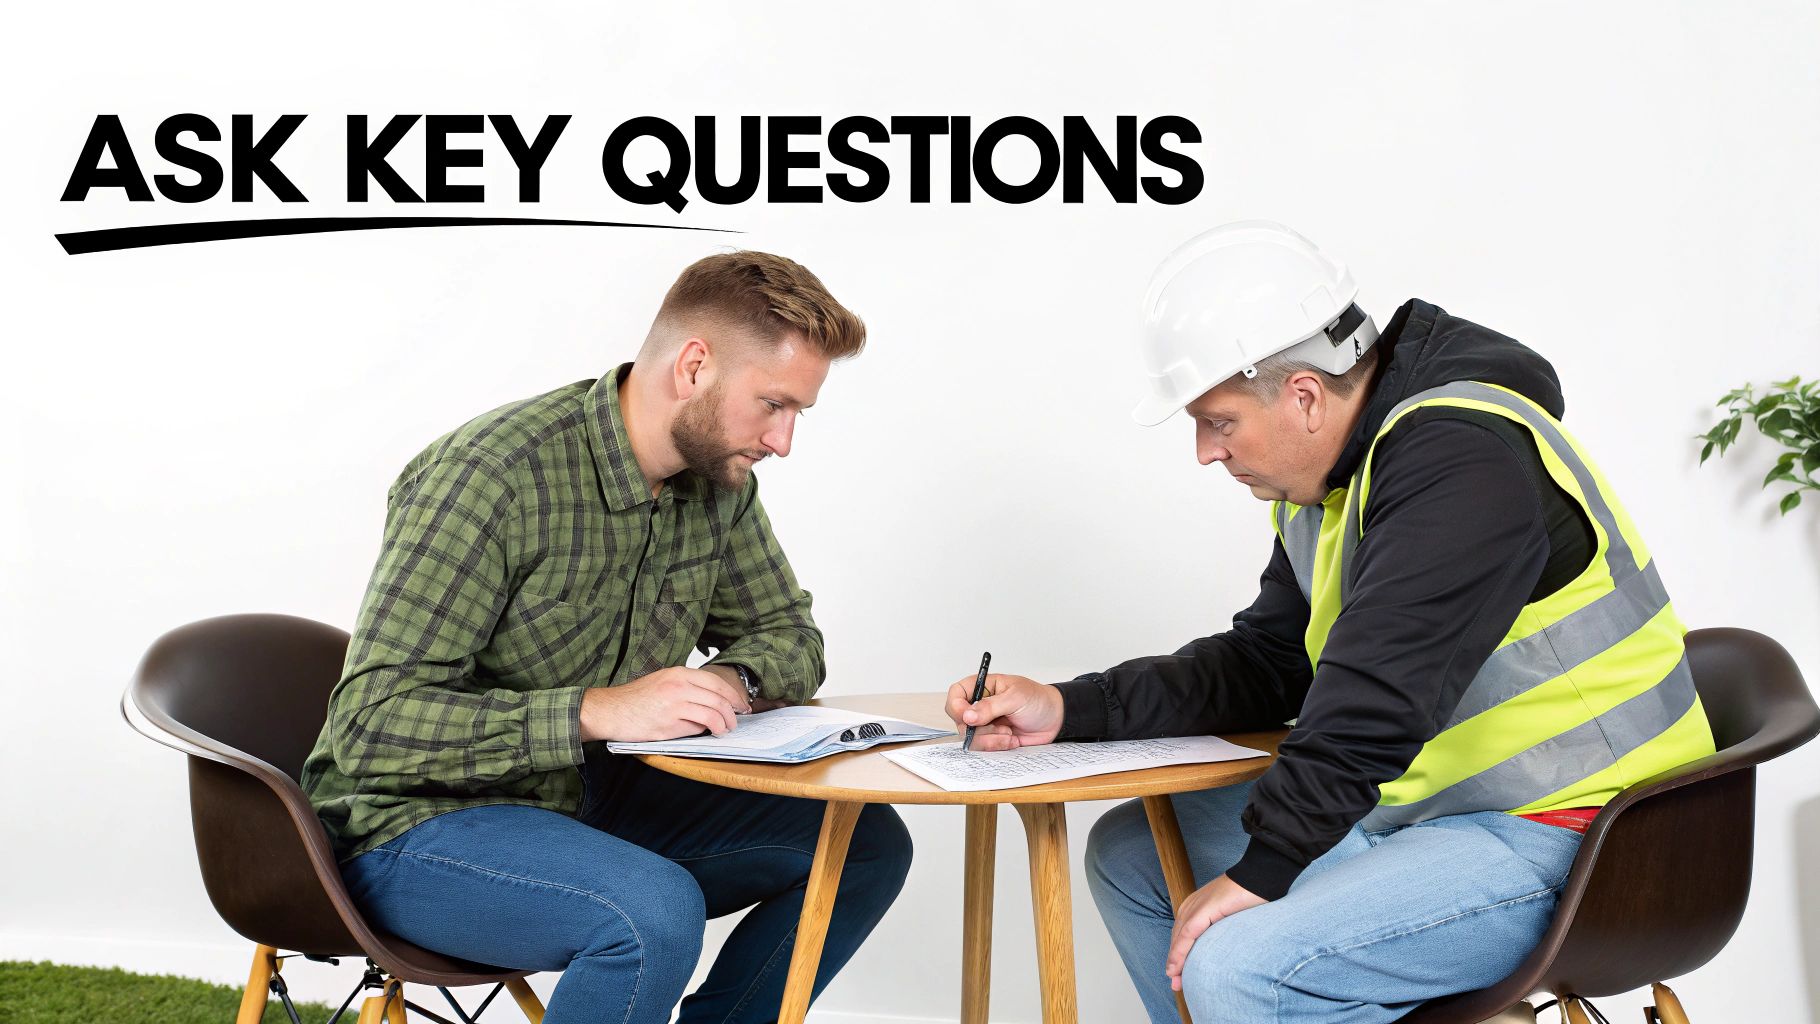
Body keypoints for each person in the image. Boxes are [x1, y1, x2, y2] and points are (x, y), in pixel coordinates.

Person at [945, 222, 1714, 1024]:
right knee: (1136, 858)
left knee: (1246, 970)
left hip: (1591, 836)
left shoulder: (1461, 460)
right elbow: (1271, 662)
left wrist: (1266, 868)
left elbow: (1376, 691)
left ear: (1305, 395)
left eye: (1219, 421)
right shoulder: (1336, 488)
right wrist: (1073, 707)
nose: (1207, 453)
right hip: (1435, 819)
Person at [300, 251, 912, 1024]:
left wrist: (734, 682)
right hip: (410, 827)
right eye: (772, 405)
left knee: (863, 844)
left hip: (583, 801)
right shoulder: (491, 476)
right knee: (649, 913)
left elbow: (788, 632)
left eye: (797, 414)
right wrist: (594, 711)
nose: (783, 441)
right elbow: (371, 725)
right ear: (693, 366)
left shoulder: (719, 485)